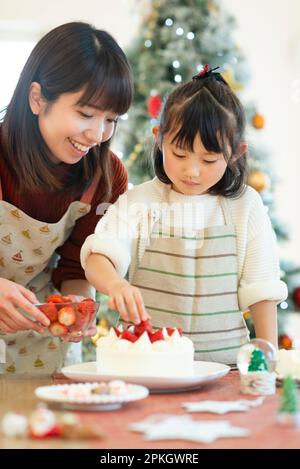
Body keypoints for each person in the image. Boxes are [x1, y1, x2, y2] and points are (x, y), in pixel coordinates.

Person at [81, 65, 287, 366]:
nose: (192, 171)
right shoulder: (142, 201)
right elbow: (100, 255)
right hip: (149, 367)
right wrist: (116, 285)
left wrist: (269, 360)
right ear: (158, 138)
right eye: (179, 154)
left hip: (225, 368)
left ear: (236, 153)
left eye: (209, 159)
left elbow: (262, 290)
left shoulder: (246, 206)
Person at [0, 22, 133, 374]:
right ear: (37, 98)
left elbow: (75, 268)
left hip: (41, 345)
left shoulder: (106, 177)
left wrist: (80, 306)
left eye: (111, 120)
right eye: (85, 114)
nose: (97, 134)